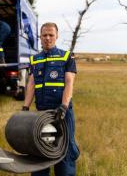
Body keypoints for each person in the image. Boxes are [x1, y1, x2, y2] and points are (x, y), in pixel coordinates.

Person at [22, 22, 80, 176]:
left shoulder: (67, 57)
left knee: (65, 150)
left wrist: (64, 106)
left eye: (51, 35)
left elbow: (69, 82)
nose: (47, 38)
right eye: (44, 35)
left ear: (57, 36)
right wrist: (25, 107)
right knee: (40, 149)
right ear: (40, 37)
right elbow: (31, 84)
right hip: (42, 114)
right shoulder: (35, 59)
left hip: (62, 113)